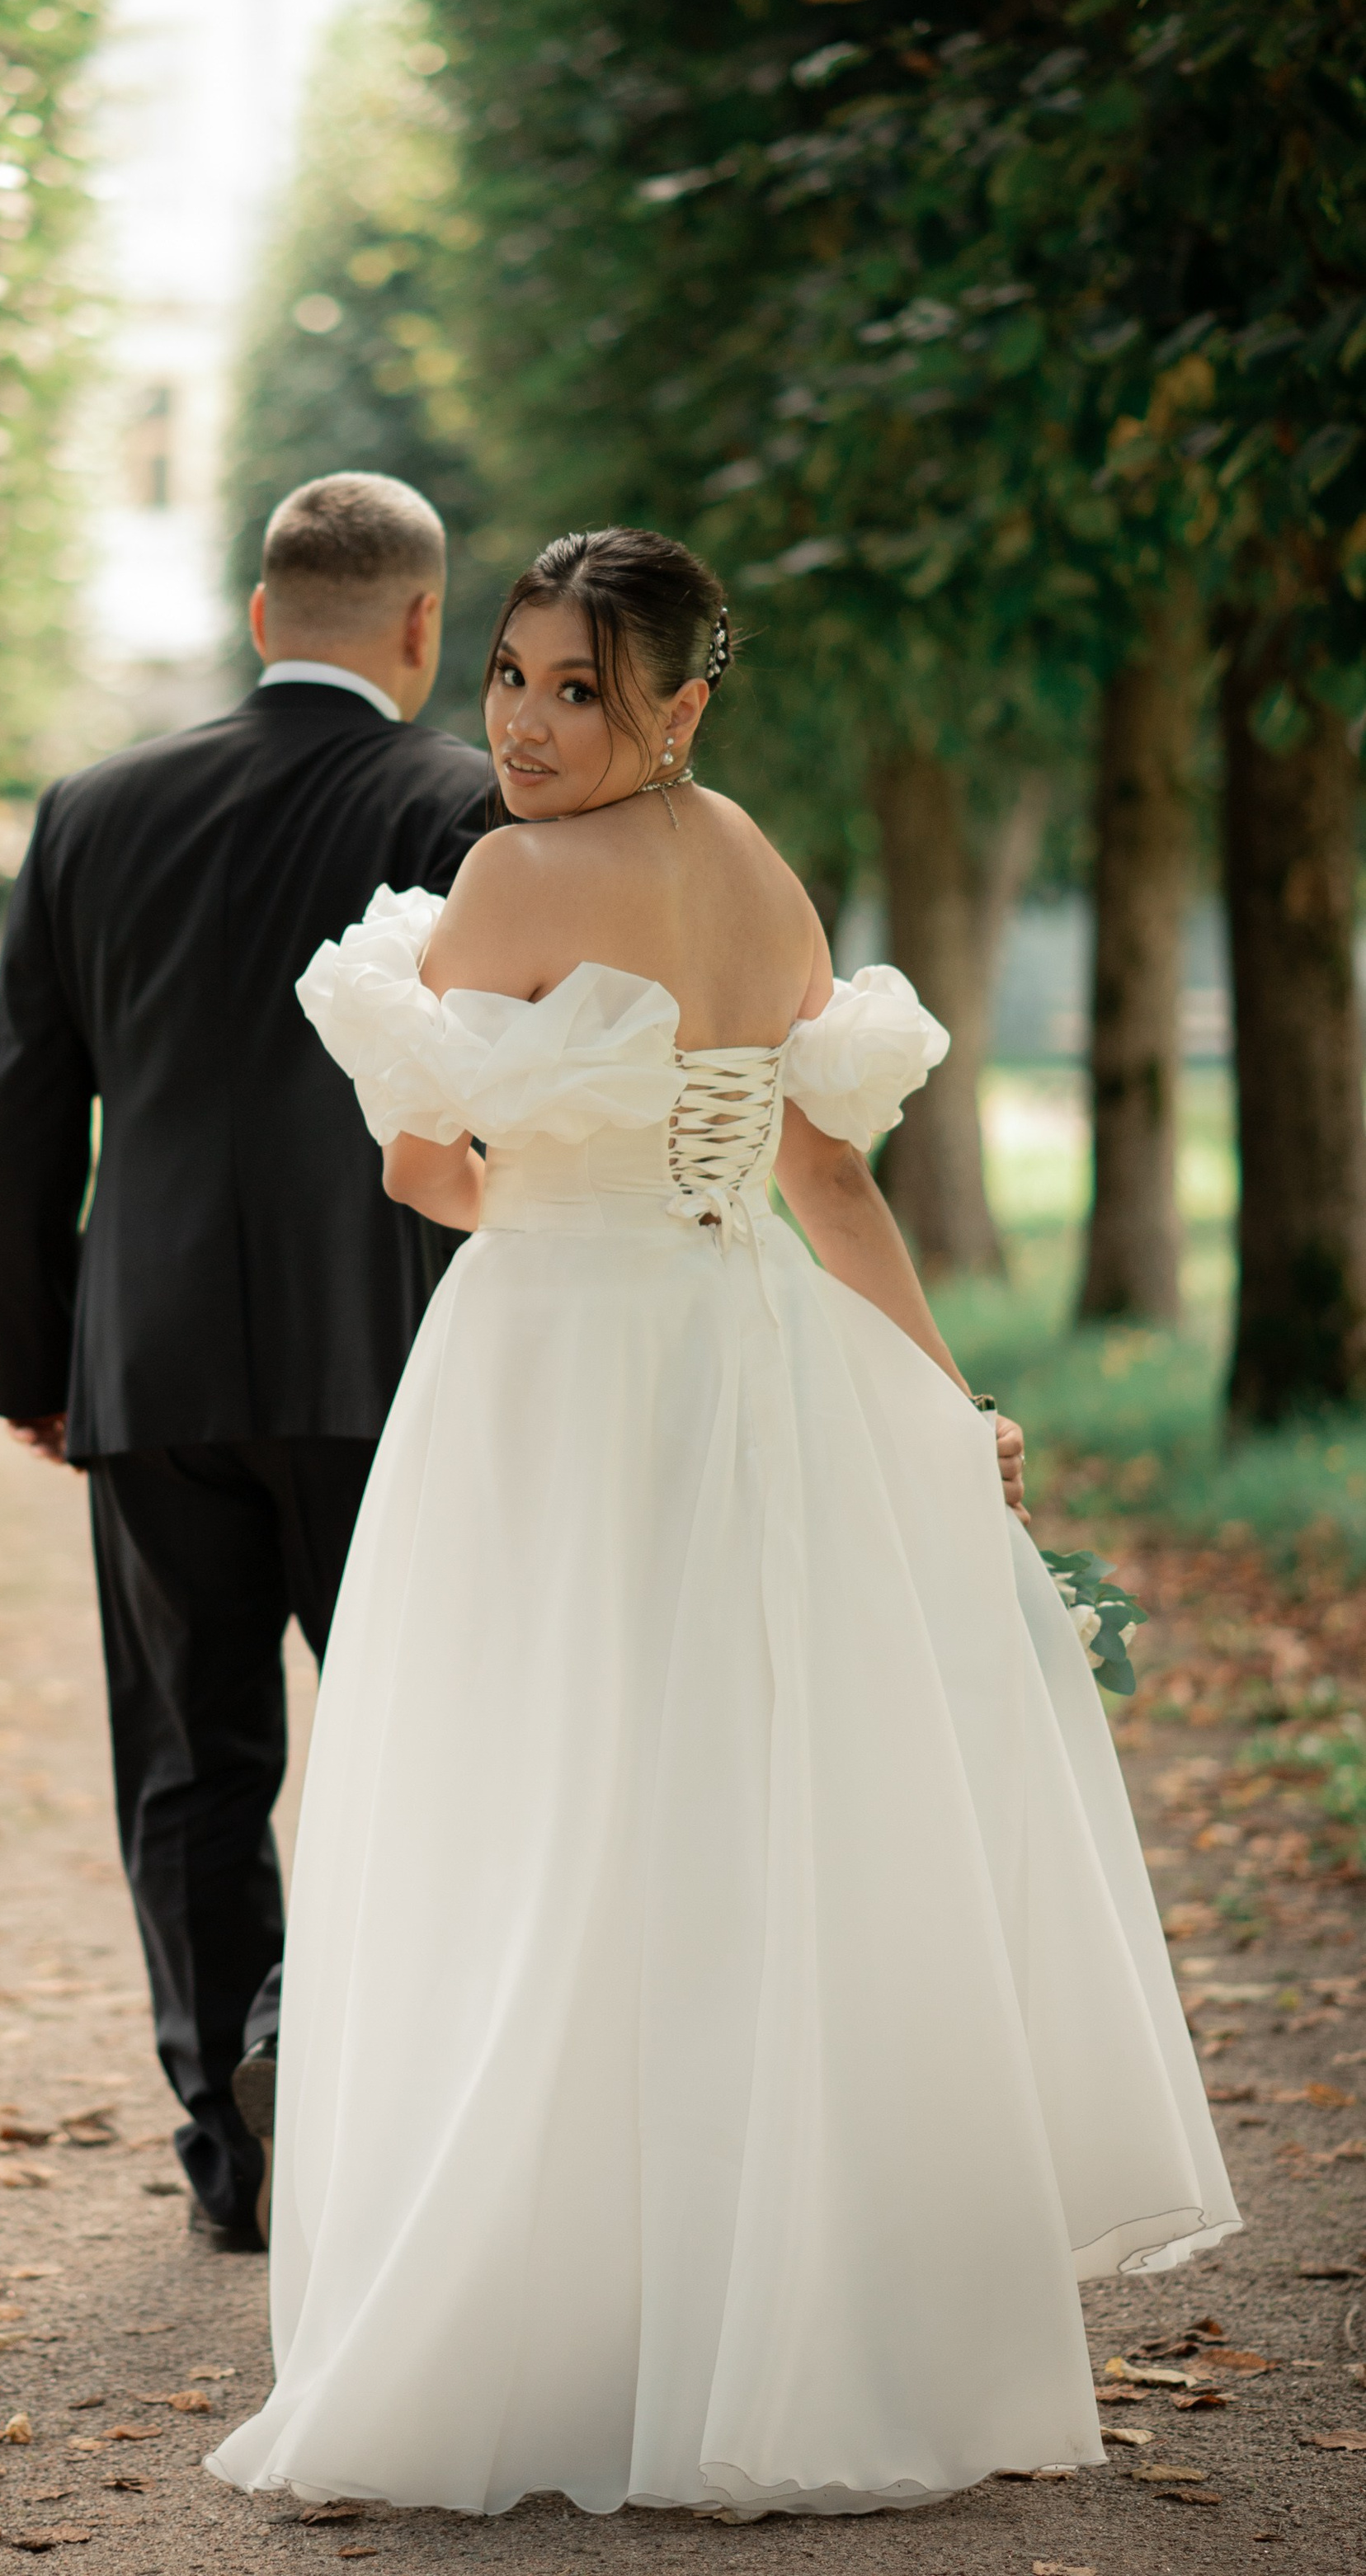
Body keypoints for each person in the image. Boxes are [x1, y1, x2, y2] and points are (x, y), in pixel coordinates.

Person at [210, 526, 1236, 2521]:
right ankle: (766, 2320)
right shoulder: (756, 862)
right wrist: (950, 1401)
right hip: (745, 1355)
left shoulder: (503, 879)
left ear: (675, 702)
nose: (516, 723)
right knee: (734, 1813)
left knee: (533, 1807)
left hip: (550, 1371)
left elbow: (432, 1168)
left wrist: (557, 1185)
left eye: (572, 688)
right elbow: (825, 1183)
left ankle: (554, 2325)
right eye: (505, 675)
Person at [0, 473, 490, 2253]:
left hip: (155, 1357)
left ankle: (232, 2138)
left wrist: (36, 1362)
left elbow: (29, 1111)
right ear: (421, 628)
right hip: (401, 1355)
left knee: (192, 1758)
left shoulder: (93, 808)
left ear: (261, 613)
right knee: (423, 1731)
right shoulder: (471, 809)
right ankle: (376, 2089)